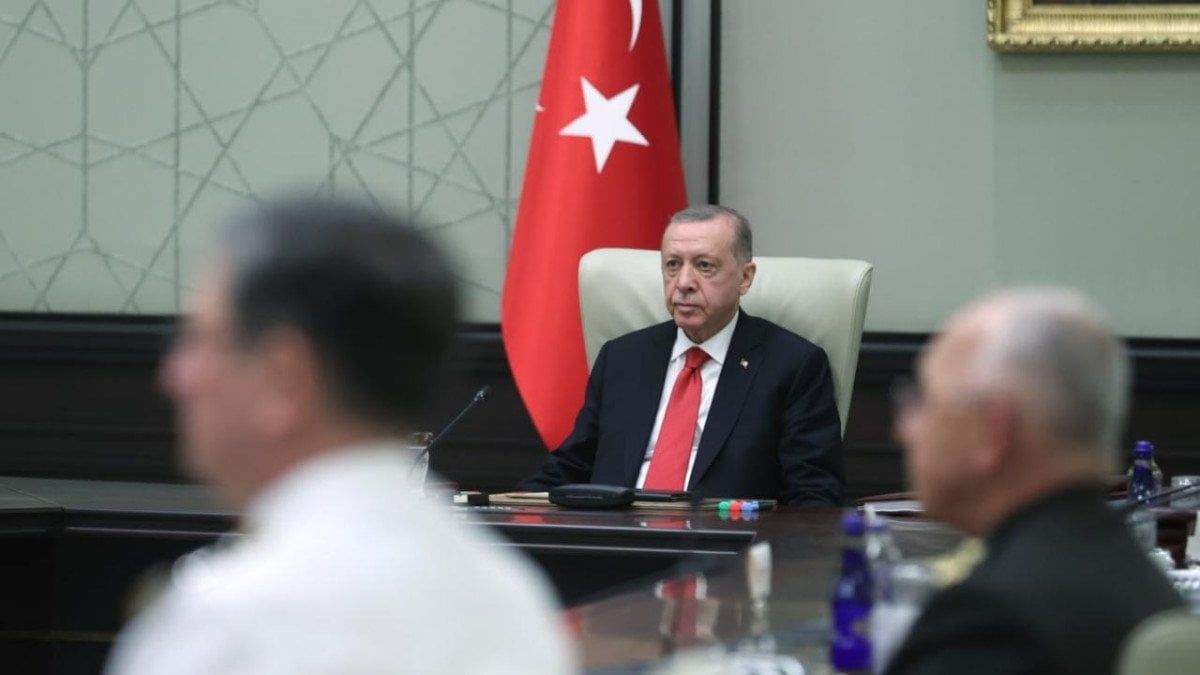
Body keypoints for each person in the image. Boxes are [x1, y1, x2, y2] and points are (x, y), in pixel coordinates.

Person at [106, 199, 576, 675]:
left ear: (284, 376)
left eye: (199, 340)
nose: (174, 377)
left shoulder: (226, 619)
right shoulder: (514, 598)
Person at [884, 289, 1183, 675]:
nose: (903, 430)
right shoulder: (1141, 580)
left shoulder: (991, 621)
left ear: (991, 432)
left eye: (925, 402)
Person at [519, 205, 844, 506]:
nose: (684, 282)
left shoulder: (792, 364)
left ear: (745, 278)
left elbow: (814, 496)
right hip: (614, 537)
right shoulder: (622, 358)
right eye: (673, 265)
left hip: (722, 542)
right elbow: (573, 465)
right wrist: (501, 516)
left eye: (704, 266)